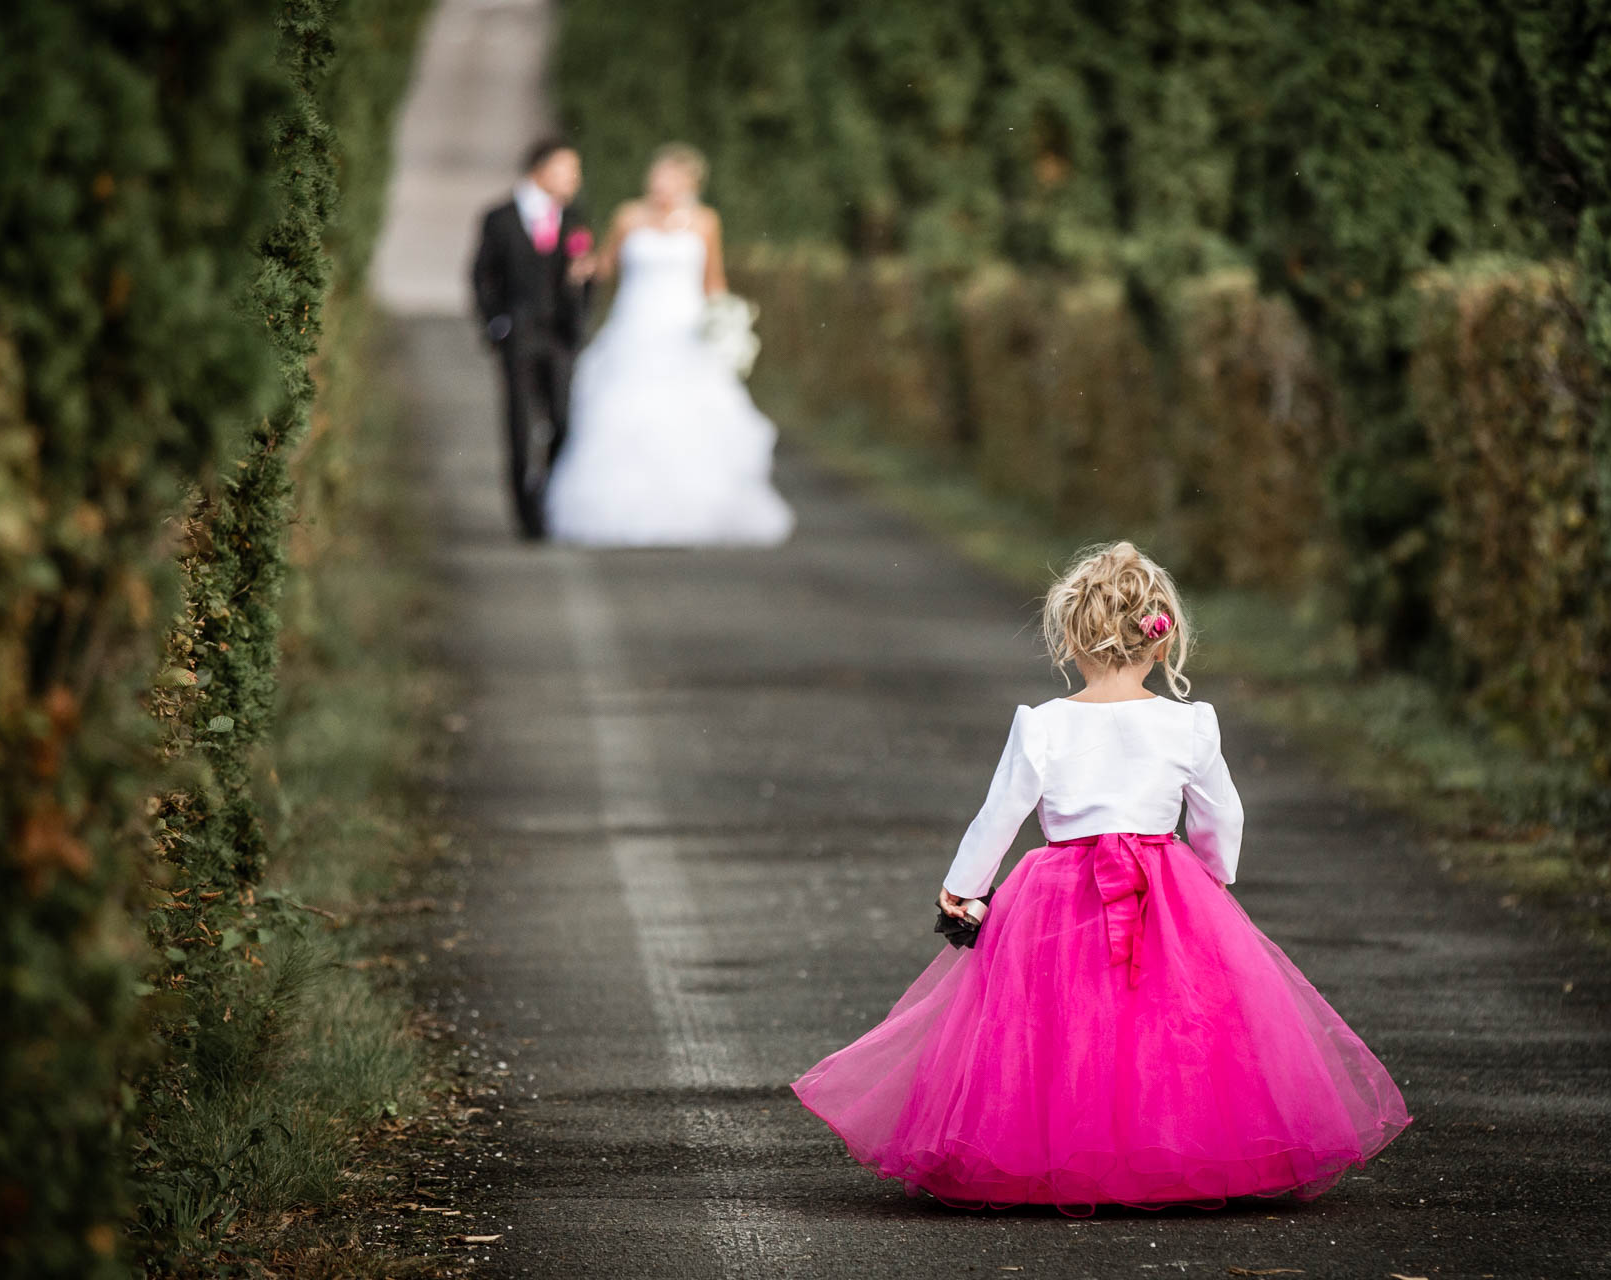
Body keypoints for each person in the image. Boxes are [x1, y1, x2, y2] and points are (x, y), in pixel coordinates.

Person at [792, 541, 1412, 1213]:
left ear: (1070, 639)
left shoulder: (1044, 726)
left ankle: (1057, 1148)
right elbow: (1220, 814)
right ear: (1159, 640)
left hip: (1058, 890)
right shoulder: (1189, 724)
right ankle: (1176, 1145)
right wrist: (1212, 875)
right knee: (1168, 1017)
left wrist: (964, 885)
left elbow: (1000, 814)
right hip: (1166, 882)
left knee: (1062, 1019)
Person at [542, 142, 794, 546]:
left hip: (685, 329)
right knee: (625, 410)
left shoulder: (706, 223)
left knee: (692, 414)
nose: (662, 185)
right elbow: (604, 266)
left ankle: (696, 508)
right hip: (636, 327)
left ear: (690, 183)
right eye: (658, 176)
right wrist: (575, 261)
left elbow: (713, 281)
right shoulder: (628, 216)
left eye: (672, 178)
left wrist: (728, 324)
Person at [471, 138, 595, 539]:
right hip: (519, 334)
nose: (574, 179)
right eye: (566, 169)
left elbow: (585, 273)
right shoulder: (500, 218)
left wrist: (579, 312)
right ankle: (528, 517)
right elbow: (481, 276)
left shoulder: (575, 218)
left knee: (562, 420)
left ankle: (547, 493)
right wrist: (496, 324)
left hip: (559, 335)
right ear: (539, 170)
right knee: (520, 427)